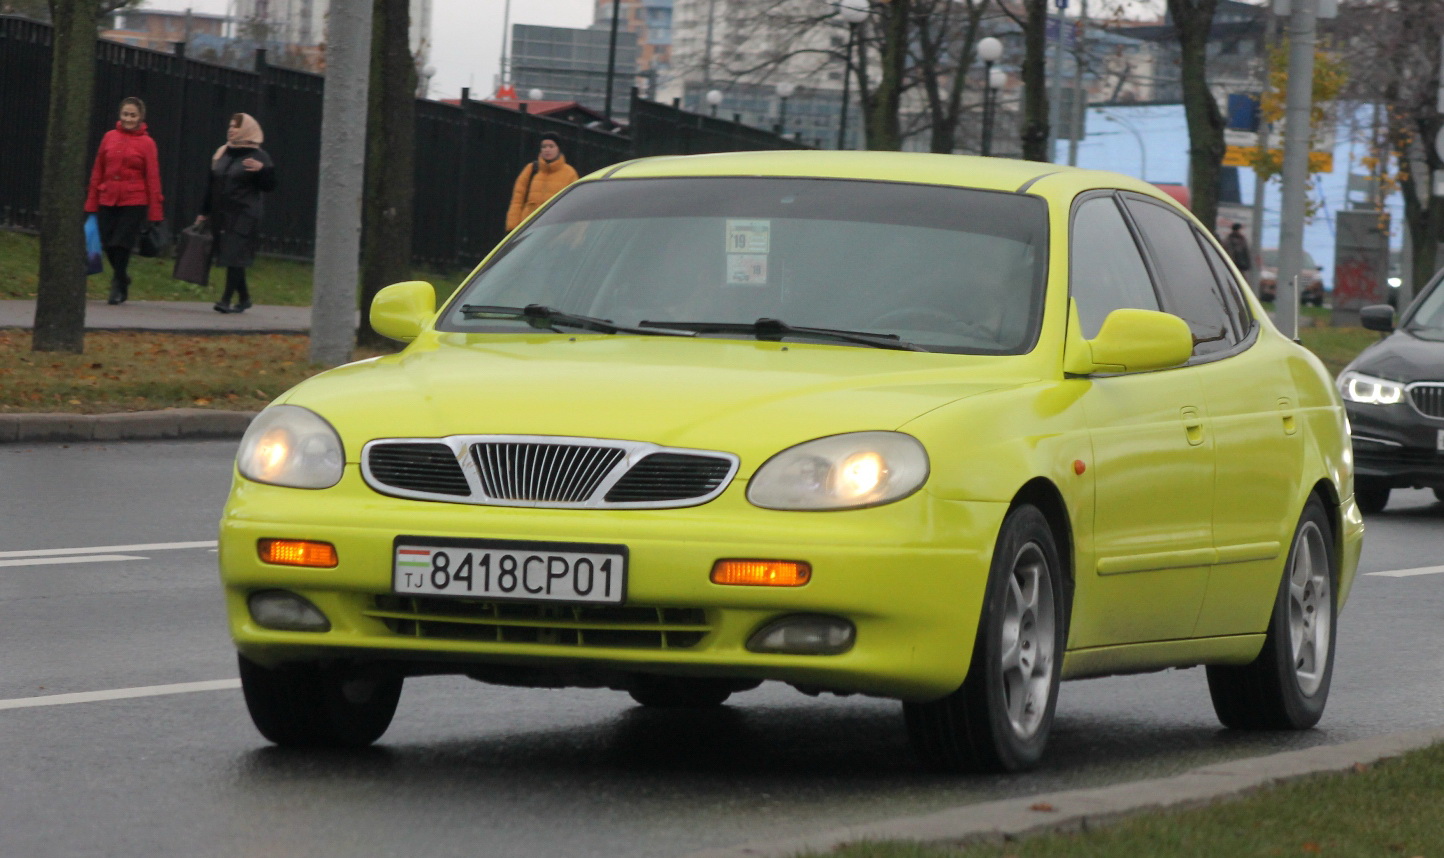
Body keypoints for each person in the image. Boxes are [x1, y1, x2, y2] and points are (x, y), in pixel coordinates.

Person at [85, 96, 165, 305]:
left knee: (121, 243)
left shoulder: (147, 143)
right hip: (108, 197)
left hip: (134, 200)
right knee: (108, 243)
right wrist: (91, 202)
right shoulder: (109, 137)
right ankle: (123, 277)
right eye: (125, 114)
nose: (129, 119)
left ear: (140, 118)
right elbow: (97, 170)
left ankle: (116, 285)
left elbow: (153, 177)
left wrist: (155, 211)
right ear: (120, 115)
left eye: (133, 115)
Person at [197, 113, 276, 314]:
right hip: (221, 214)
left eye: (237, 127)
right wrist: (203, 212)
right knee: (232, 256)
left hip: (244, 214)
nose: (231, 130)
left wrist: (262, 171)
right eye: (230, 126)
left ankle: (225, 300)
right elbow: (211, 184)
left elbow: (270, 186)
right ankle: (245, 298)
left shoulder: (258, 156)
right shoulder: (222, 153)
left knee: (233, 255)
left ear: (248, 130)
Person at [504, 132, 579, 231]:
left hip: (553, 229)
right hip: (527, 227)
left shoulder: (570, 173)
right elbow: (517, 199)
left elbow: (574, 206)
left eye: (551, 146)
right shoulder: (531, 169)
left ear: (558, 149)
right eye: (544, 146)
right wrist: (512, 226)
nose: (547, 150)